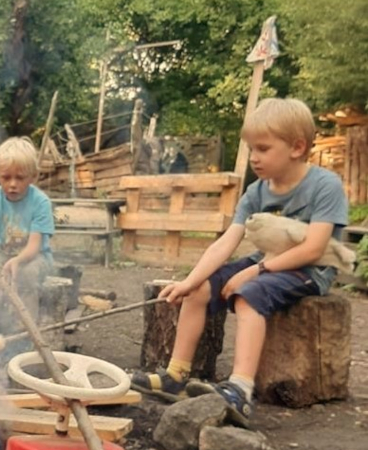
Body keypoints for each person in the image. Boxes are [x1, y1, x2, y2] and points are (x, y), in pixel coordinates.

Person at [131, 98, 348, 427]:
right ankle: (177, 374)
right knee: (201, 288)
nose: (254, 157)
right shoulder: (256, 192)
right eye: (252, 149)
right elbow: (225, 244)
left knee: (250, 295)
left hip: (309, 270)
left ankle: (240, 390)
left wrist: (254, 270)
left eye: (262, 148)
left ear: (297, 147)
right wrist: (190, 282)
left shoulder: (324, 185)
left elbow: (315, 249)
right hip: (267, 263)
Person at [0, 137, 55, 359]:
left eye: (20, 178)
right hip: (5, 253)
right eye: (6, 178)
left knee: (25, 274)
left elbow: (34, 245)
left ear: (33, 177)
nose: (12, 184)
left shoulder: (40, 202)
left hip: (34, 258)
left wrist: (18, 261)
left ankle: (24, 335)